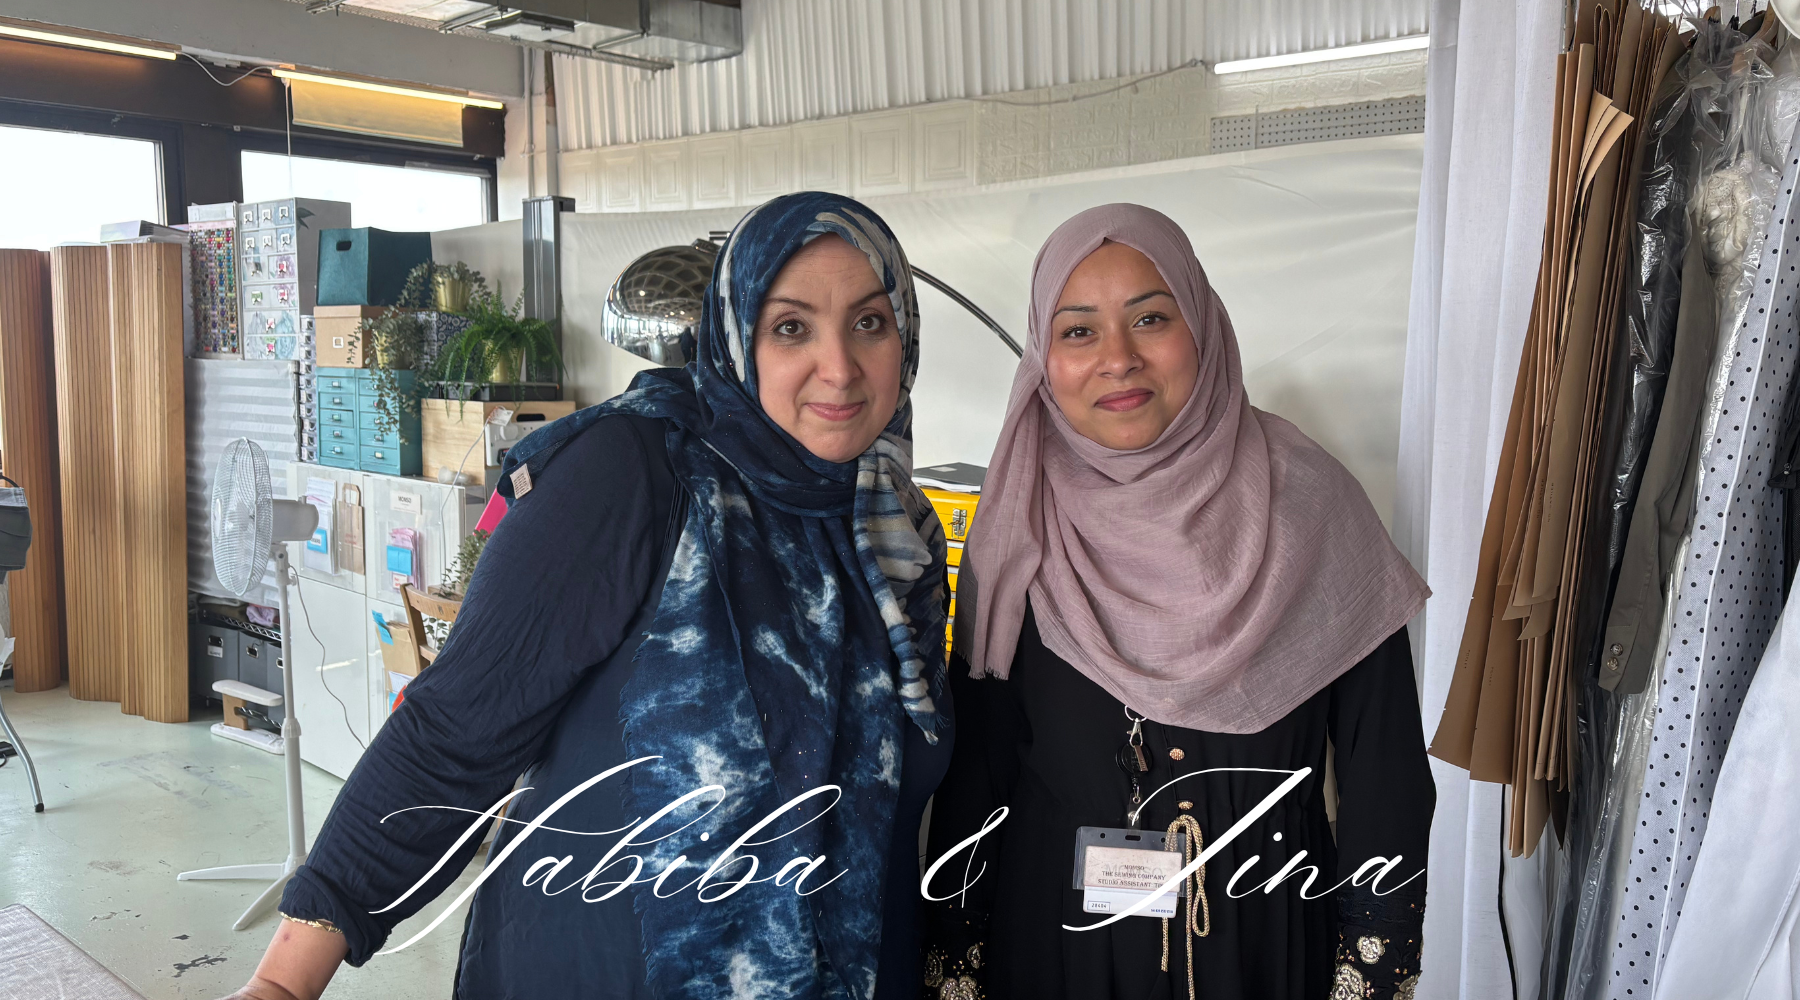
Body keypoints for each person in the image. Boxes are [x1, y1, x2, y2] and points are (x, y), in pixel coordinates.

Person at [220, 191, 954, 1000]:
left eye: (869, 322)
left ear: (905, 336)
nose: (840, 367)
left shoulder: (898, 535)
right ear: (735, 334)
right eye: (791, 328)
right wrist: (284, 982)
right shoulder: (635, 472)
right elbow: (454, 730)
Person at [922, 204, 1433, 1000]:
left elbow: (1384, 770)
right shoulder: (1020, 519)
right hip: (1054, 946)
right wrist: (955, 960)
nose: (1118, 359)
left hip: (1267, 939)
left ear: (1202, 324)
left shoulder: (1313, 508)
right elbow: (980, 772)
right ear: (1043, 358)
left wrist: (1371, 968)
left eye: (1150, 318)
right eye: (1078, 331)